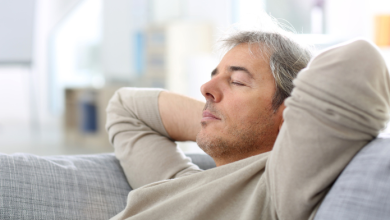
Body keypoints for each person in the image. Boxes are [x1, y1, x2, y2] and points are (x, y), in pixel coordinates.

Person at [106, 30, 390, 219]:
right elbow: (126, 108)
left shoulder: (278, 188)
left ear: (288, 115)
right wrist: (217, 119)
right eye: (213, 77)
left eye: (237, 81)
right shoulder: (179, 183)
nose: (205, 87)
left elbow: (358, 60)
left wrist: (279, 127)